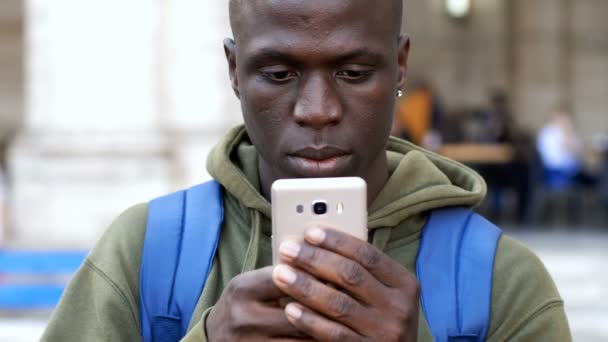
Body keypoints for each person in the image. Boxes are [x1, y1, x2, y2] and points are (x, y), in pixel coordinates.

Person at [42, 1, 570, 341]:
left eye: (354, 73)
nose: (317, 110)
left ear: (400, 65)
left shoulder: (503, 283)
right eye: (278, 73)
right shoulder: (142, 253)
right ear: (234, 70)